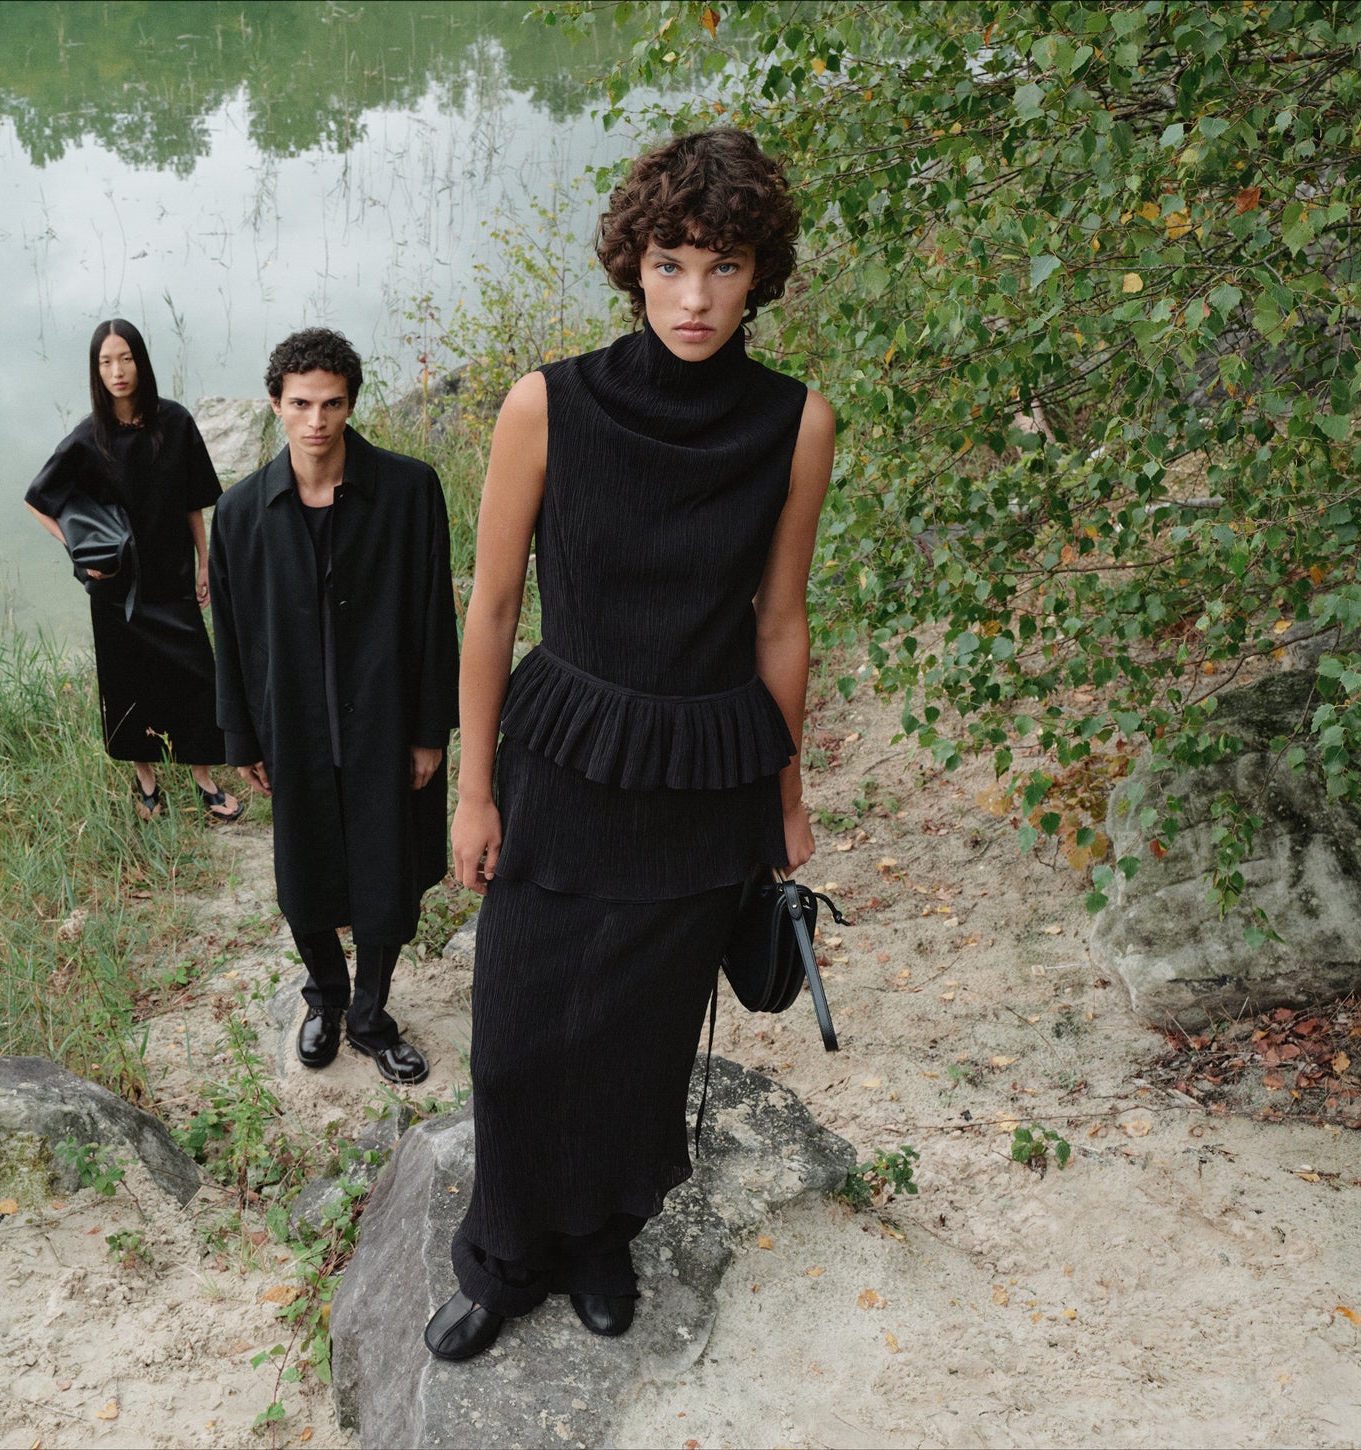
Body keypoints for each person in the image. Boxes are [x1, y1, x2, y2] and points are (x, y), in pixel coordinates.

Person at [426, 128, 835, 1361]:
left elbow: (780, 619)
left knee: (645, 1035)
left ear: (762, 273)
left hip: (707, 772)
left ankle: (604, 1232)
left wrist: (789, 797)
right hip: (566, 751)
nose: (696, 296)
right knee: (519, 1031)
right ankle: (504, 1258)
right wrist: (474, 789)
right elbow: (491, 609)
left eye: (725, 265)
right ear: (632, 266)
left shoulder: (796, 423)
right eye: (671, 263)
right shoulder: (547, 404)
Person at [207, 328, 458, 1084]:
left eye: (332, 404)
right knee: (305, 874)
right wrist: (240, 737)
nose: (316, 421)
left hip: (384, 722)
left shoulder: (409, 490)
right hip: (293, 729)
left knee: (387, 872)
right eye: (300, 404)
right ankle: (324, 998)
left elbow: (431, 616)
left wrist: (427, 730)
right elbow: (232, 634)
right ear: (275, 406)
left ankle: (372, 1015)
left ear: (351, 404)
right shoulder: (242, 513)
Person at [24, 318, 243, 821]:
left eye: (125, 358)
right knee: (128, 684)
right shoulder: (87, 438)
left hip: (171, 577)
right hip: (116, 588)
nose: (117, 371)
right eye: (105, 362)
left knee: (194, 676)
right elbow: (38, 501)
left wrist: (205, 561)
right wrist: (80, 551)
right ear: (95, 371)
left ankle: (203, 778)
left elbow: (193, 501)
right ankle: (146, 781)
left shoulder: (176, 421)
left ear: (140, 361)